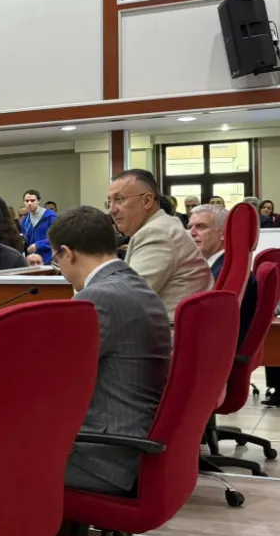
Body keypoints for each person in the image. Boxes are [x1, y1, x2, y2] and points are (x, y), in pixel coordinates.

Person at [47, 206, 171, 495]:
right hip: (133, 441)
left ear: (68, 253)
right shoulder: (133, 284)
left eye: (57, 260)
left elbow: (54, 374)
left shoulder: (97, 296)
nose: (61, 269)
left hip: (107, 456)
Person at [108, 169, 212, 318]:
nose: (112, 209)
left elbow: (125, 301)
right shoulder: (164, 226)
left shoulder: (157, 234)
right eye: (109, 201)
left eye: (119, 199)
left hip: (167, 336)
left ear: (147, 201)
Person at [188, 204, 259, 355]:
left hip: (211, 355)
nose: (192, 233)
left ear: (223, 233)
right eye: (190, 227)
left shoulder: (225, 272)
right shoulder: (223, 266)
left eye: (201, 227)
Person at [20, 189, 58, 264]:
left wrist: (39, 245)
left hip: (49, 258)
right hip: (33, 261)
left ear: (39, 201)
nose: (29, 203)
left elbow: (57, 237)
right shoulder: (24, 221)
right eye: (26, 201)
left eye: (32, 200)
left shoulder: (50, 216)